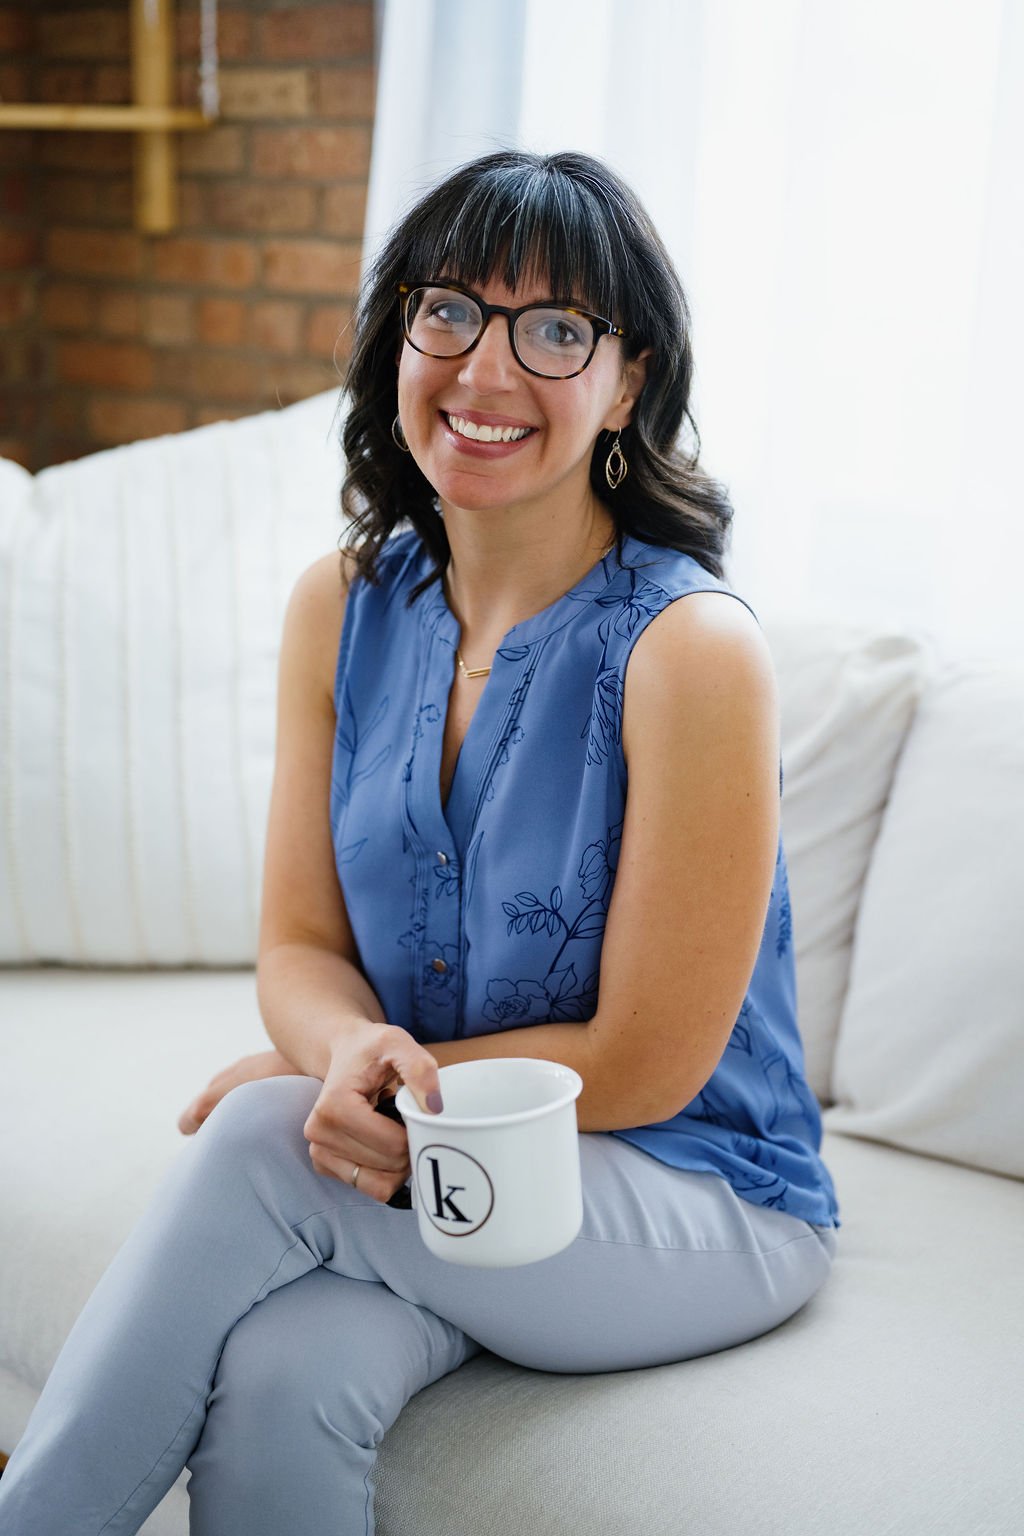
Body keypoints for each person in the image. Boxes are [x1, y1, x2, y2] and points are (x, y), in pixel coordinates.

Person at [0, 149, 840, 1536]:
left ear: (629, 382)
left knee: (269, 1134)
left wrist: (356, 1091)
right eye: (448, 310)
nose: (486, 370)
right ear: (399, 335)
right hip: (468, 1173)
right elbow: (301, 948)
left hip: (698, 1193)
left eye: (556, 330)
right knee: (282, 1376)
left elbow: (649, 1062)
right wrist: (339, 1051)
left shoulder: (692, 652)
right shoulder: (340, 605)